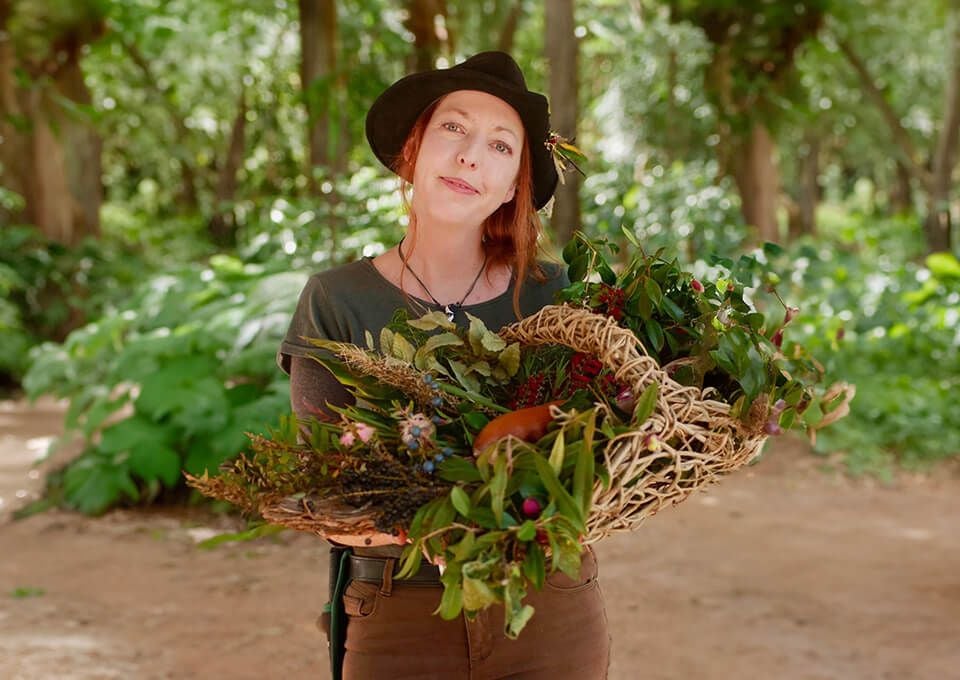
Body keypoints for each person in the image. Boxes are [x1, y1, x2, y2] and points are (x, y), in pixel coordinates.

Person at [277, 51, 610, 679]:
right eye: (453, 128)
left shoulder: (559, 299)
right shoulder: (337, 300)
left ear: (515, 183)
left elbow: (601, 455)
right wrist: (455, 520)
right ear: (414, 148)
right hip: (398, 611)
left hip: (549, 605)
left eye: (501, 145)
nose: (470, 156)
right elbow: (324, 488)